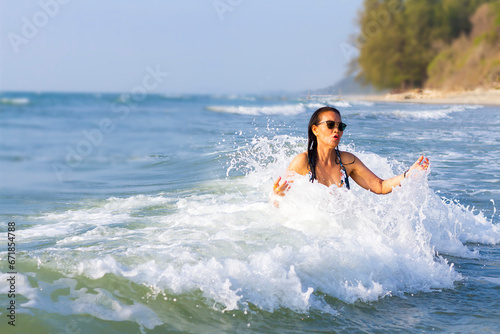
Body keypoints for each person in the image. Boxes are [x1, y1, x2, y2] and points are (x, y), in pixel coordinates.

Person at [272, 106, 429, 199]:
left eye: (341, 126)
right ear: (315, 129)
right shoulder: (303, 162)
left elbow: (379, 186)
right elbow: (281, 203)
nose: (337, 130)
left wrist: (408, 174)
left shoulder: (347, 161)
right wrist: (277, 195)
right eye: (330, 124)